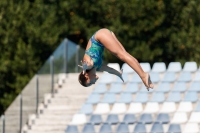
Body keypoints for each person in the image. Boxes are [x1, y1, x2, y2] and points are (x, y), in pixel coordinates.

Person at [78, 28, 154, 90]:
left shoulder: (88, 63)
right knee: (125, 55)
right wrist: (118, 74)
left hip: (99, 37)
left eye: (90, 82)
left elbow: (89, 63)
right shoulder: (98, 66)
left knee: (122, 56)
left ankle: (143, 75)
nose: (93, 83)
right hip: (104, 34)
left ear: (86, 76)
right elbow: (109, 70)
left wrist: (85, 66)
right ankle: (143, 74)